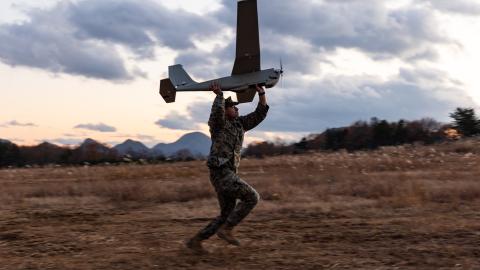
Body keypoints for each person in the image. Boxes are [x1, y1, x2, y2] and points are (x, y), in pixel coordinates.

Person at [186, 83, 269, 253]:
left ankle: (196, 241)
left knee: (226, 214)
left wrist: (261, 94)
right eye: (233, 107)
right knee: (252, 197)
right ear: (225, 109)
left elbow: (259, 115)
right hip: (220, 172)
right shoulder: (218, 125)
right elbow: (217, 113)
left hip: (228, 173)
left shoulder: (239, 124)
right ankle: (227, 229)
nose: (237, 110)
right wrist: (219, 96)